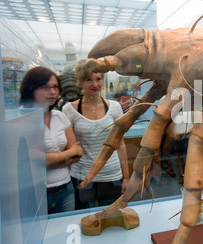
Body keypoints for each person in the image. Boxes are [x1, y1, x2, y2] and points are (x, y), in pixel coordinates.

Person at [62, 60, 129, 209]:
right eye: (88, 80)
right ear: (80, 82)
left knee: (111, 218)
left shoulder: (115, 108)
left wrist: (127, 178)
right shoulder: (68, 110)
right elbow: (69, 148)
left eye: (98, 79)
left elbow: (120, 145)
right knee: (83, 218)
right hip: (81, 176)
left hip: (111, 175)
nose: (95, 84)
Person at [20, 66, 82, 214]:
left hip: (65, 189)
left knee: (64, 231)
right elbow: (32, 159)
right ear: (31, 88)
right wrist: (66, 155)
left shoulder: (60, 117)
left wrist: (50, 160)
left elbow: (77, 152)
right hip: (36, 193)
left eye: (55, 87)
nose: (53, 92)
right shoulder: (23, 119)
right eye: (45, 87)